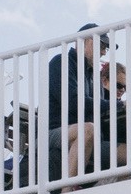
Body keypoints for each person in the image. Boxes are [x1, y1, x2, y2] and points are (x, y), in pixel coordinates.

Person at [47, 25, 110, 183]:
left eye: (106, 48)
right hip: (55, 132)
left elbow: (99, 108)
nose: (103, 52)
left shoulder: (94, 75)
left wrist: (122, 105)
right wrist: (114, 105)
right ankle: (67, 190)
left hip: (91, 138)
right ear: (84, 41)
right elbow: (73, 102)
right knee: (88, 129)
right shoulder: (61, 62)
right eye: (102, 46)